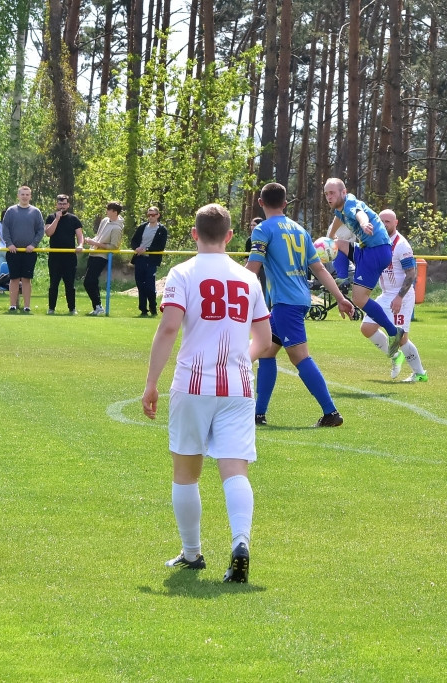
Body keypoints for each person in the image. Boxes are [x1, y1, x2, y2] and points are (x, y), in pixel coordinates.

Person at [143, 203, 272, 584]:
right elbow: (263, 340)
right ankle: (241, 544)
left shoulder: (182, 272)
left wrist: (150, 383)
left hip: (193, 383)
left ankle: (192, 552)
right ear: (231, 236)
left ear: (194, 234)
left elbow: (169, 328)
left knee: (186, 472)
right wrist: (239, 359)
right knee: (234, 469)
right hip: (238, 386)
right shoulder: (248, 279)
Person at [248, 183, 354, 427]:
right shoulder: (300, 230)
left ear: (261, 203)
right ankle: (258, 413)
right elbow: (318, 269)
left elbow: (252, 269)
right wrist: (340, 298)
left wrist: (229, 290)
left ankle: (331, 413)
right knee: (266, 352)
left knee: (300, 358)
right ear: (285, 204)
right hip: (296, 301)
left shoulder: (263, 229)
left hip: (286, 304)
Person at [323, 178, 404, 356]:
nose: (328, 197)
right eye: (326, 194)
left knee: (359, 299)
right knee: (337, 244)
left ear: (343, 193)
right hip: (369, 250)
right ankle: (343, 278)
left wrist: (363, 223)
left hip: (376, 252)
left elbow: (360, 213)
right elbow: (335, 226)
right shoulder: (340, 211)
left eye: (332, 193)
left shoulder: (350, 203)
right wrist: (327, 241)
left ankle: (393, 332)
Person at [360, 210, 428, 383]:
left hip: (401, 297)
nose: (384, 224)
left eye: (388, 221)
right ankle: (396, 356)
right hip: (385, 295)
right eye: (381, 221)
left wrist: (399, 297)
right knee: (366, 328)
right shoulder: (377, 242)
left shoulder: (401, 245)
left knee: (401, 338)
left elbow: (411, 275)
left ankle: (420, 374)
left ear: (396, 223)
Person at [1, 186, 45, 312]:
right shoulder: (11, 211)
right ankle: (13, 305)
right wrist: (9, 244)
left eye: (27, 194)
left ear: (30, 196)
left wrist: (33, 244)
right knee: (14, 278)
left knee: (26, 279)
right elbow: (5, 229)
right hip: (13, 251)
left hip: (29, 252)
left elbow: (40, 230)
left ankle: (27, 306)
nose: (25, 197)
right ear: (18, 195)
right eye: (22, 194)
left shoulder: (36, 212)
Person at [44, 194, 84, 314]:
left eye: (64, 204)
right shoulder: (51, 218)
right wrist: (57, 219)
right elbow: (48, 233)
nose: (62, 206)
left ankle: (72, 309)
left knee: (70, 284)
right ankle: (51, 308)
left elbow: (80, 236)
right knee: (53, 283)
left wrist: (80, 245)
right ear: (56, 205)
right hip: (55, 256)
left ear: (68, 205)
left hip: (69, 257)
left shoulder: (74, 219)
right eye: (60, 204)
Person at [83, 201, 124, 315]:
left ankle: (99, 306)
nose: (106, 211)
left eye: (108, 209)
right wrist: (91, 241)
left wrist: (96, 243)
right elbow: (99, 235)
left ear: (115, 212)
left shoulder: (117, 228)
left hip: (102, 256)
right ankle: (97, 307)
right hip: (93, 253)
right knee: (92, 282)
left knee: (88, 281)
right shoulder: (105, 220)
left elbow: (113, 246)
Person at [130, 206, 169, 316]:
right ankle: (143, 310)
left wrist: (146, 250)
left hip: (151, 260)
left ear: (158, 215)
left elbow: (160, 246)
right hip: (139, 259)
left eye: (153, 215)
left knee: (150, 286)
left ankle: (153, 307)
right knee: (140, 285)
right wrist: (136, 248)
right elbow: (133, 241)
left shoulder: (162, 230)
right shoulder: (142, 227)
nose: (150, 217)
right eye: (149, 215)